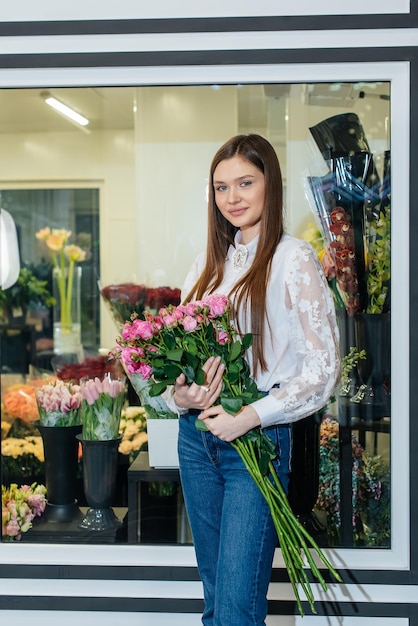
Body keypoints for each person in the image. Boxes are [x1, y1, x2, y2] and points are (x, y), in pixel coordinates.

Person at [167, 134, 340, 625]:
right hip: (197, 439)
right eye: (221, 188)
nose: (233, 198)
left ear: (271, 185)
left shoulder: (294, 259)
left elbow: (323, 370)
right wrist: (182, 395)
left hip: (258, 443)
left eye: (245, 183)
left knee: (238, 610)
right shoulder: (205, 267)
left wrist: (250, 416)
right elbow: (178, 364)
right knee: (217, 602)